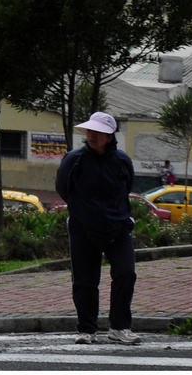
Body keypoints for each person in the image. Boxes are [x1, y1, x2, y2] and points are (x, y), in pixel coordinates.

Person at [55, 111, 139, 346]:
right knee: (85, 281)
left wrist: (116, 215)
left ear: (110, 136)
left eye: (98, 132)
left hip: (118, 228)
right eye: (90, 131)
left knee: (126, 273)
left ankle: (120, 327)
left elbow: (127, 187)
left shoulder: (122, 161)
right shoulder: (74, 159)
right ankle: (86, 330)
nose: (92, 135)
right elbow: (63, 188)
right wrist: (83, 213)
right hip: (83, 229)